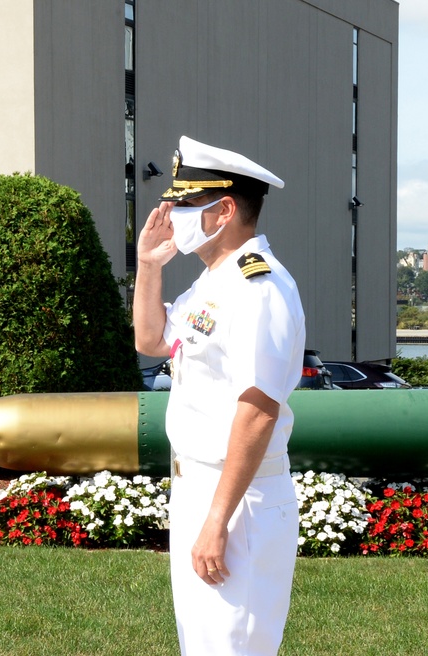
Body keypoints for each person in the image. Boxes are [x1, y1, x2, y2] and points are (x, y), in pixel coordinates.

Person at [132, 136, 304, 655]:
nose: (170, 213)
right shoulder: (212, 282)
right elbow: (152, 341)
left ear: (224, 210)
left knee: (233, 645)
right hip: (200, 488)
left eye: (184, 203)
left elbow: (258, 411)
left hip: (237, 502)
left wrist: (216, 519)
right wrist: (148, 266)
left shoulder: (259, 287)